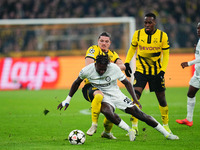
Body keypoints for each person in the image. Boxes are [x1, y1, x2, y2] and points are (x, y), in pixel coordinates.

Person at [57, 54, 179, 141]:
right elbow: (76, 83)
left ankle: (167, 134)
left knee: (140, 114)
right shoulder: (87, 70)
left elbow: (126, 83)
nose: (101, 72)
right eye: (99, 69)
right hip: (102, 95)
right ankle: (129, 130)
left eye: (104, 70)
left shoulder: (114, 68)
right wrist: (67, 100)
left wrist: (135, 99)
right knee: (106, 111)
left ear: (108, 66)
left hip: (116, 94)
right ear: (95, 64)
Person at [124, 12, 172, 135]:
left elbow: (166, 54)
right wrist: (127, 63)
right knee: (134, 97)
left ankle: (166, 125)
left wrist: (162, 71)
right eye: (145, 22)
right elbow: (132, 49)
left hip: (156, 72)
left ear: (154, 23)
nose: (147, 25)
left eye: (149, 22)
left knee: (161, 99)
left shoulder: (162, 36)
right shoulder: (137, 34)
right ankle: (134, 126)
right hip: (141, 72)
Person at [83, 32, 125, 137]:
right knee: (98, 95)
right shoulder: (93, 50)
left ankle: (107, 133)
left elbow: (122, 66)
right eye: (101, 41)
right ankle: (94, 124)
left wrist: (106, 69)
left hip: (107, 87)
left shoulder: (113, 54)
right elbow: (89, 66)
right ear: (98, 41)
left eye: (106, 41)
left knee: (111, 112)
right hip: (91, 86)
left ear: (110, 43)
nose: (104, 43)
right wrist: (111, 70)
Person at [176, 22, 200, 127]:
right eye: (198, 28)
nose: (198, 30)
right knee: (190, 93)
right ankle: (189, 119)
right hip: (198, 74)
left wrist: (189, 63)